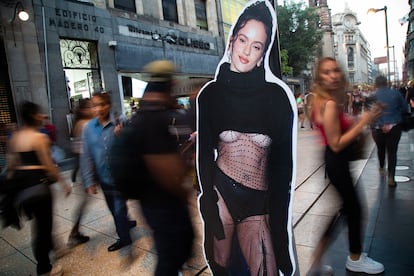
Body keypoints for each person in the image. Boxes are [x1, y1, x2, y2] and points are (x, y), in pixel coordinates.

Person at [197, 1, 298, 275]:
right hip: (221, 192)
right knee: (222, 265)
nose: (246, 51)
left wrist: (281, 236)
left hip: (259, 201)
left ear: (263, 53)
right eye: (243, 39)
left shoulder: (277, 99)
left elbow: (282, 172)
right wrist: (207, 199)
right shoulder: (211, 95)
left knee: (264, 269)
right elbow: (203, 154)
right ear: (232, 40)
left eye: (256, 46)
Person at [111, 60, 195, 275]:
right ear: (171, 84)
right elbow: (167, 173)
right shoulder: (153, 119)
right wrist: (184, 192)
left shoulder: (141, 116)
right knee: (171, 257)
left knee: (172, 253)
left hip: (150, 202)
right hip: (164, 203)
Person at [307, 57, 384, 275]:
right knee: (354, 209)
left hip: (333, 162)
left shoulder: (324, 101)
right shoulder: (329, 104)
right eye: (326, 72)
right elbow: (337, 143)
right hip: (336, 161)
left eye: (335, 71)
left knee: (347, 210)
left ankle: (317, 261)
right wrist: (364, 120)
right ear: (319, 77)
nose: (332, 76)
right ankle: (355, 258)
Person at [4, 101, 71, 275]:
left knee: (41, 223)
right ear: (34, 115)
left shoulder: (15, 137)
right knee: (43, 228)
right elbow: (49, 165)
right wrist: (63, 183)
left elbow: (11, 166)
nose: (42, 116)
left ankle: (57, 248)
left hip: (22, 190)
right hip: (39, 188)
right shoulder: (39, 137)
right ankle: (44, 267)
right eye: (39, 113)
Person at [80, 92, 135, 252]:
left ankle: (124, 238)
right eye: (95, 105)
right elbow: (86, 156)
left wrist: (121, 136)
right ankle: (126, 222)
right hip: (104, 177)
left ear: (109, 105)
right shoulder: (88, 128)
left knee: (118, 209)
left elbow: (133, 147)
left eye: (102, 104)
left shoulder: (121, 121)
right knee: (113, 209)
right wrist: (88, 181)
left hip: (121, 176)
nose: (98, 109)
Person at [371, 75, 408, 187]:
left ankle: (382, 167)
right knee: (392, 152)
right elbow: (405, 108)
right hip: (394, 127)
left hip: (378, 128)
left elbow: (369, 113)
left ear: (376, 84)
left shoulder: (373, 95)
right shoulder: (396, 93)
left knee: (380, 149)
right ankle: (391, 177)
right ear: (386, 83)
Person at [67, 98, 93, 247]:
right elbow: (87, 151)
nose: (94, 109)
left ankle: (75, 232)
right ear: (83, 110)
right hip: (85, 170)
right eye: (91, 107)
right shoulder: (85, 125)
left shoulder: (79, 124)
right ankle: (74, 233)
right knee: (83, 202)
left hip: (82, 168)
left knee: (84, 202)